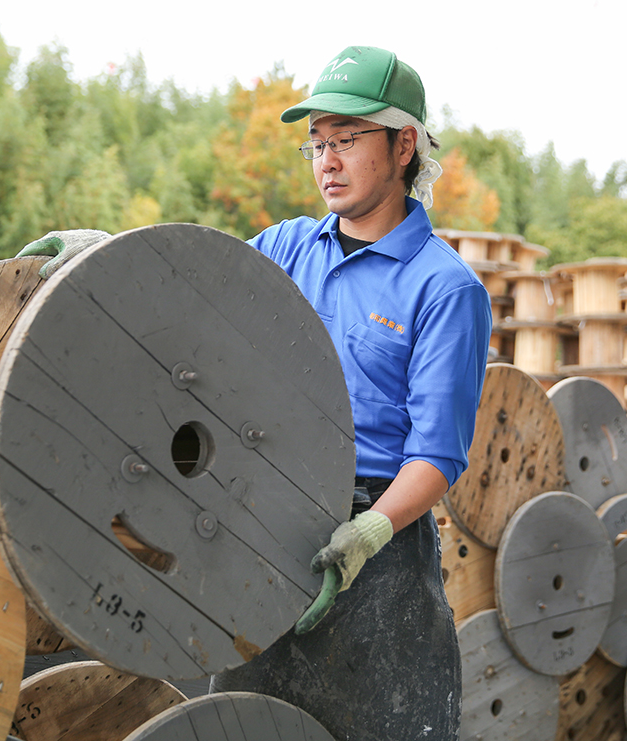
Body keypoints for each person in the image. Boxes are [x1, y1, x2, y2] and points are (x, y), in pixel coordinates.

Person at [207, 45, 492, 741]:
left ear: (403, 146)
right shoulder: (286, 247)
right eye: (316, 144)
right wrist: (101, 251)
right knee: (245, 728)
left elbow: (437, 454)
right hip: (265, 531)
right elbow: (193, 290)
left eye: (345, 141)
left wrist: (366, 534)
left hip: (379, 552)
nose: (325, 162)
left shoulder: (444, 288)